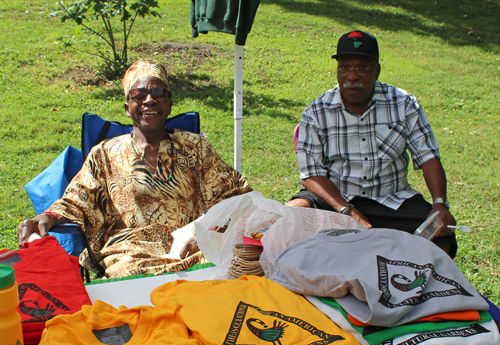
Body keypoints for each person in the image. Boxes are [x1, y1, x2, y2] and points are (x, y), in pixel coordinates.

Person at [18, 59, 252, 278]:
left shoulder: (195, 147)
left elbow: (236, 198)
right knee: (130, 272)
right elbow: (78, 199)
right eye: (138, 94)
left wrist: (209, 234)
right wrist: (48, 216)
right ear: (128, 108)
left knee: (233, 262)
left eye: (159, 93)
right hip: (131, 252)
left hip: (192, 248)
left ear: (169, 104)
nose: (149, 100)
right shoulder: (104, 154)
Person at [287, 30, 457, 258]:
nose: (352, 76)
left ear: (377, 70)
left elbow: (428, 156)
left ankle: (419, 287)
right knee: (287, 217)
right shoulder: (317, 111)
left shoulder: (404, 104)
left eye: (362, 67)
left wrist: (440, 203)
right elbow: (311, 174)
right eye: (344, 67)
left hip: (393, 199)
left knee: (440, 236)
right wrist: (347, 210)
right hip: (336, 196)